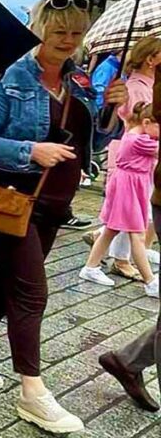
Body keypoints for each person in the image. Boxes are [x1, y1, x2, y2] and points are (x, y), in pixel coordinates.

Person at [0, 0, 127, 434]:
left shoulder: (79, 80)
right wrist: (31, 150)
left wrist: (112, 110)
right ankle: (33, 392)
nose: (68, 40)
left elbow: (92, 138)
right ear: (39, 31)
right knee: (31, 293)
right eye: (59, 32)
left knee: (3, 285)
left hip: (54, 205)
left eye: (76, 33)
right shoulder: (9, 79)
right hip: (12, 200)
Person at [85, 36, 161, 280]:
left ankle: (119, 246)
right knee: (129, 213)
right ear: (151, 59)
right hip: (134, 156)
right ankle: (120, 259)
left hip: (142, 158)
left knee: (135, 212)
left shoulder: (151, 84)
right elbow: (139, 122)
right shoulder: (137, 87)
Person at [81, 101, 159, 296]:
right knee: (137, 234)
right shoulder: (140, 141)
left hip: (129, 186)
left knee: (111, 229)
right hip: (129, 188)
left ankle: (90, 267)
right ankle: (151, 281)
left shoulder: (137, 135)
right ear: (147, 122)